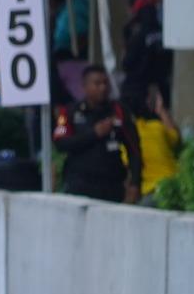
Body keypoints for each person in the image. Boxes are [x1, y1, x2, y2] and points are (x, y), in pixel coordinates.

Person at [55, 65, 143, 203]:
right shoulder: (69, 112)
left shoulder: (119, 111)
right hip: (79, 184)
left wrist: (135, 183)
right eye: (97, 84)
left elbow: (134, 150)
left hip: (111, 185)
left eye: (105, 83)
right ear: (85, 86)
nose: (103, 88)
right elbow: (60, 142)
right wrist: (94, 133)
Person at [133, 84, 181, 203]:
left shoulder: (127, 138)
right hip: (176, 185)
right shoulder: (157, 127)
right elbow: (176, 137)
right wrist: (161, 110)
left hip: (152, 192)